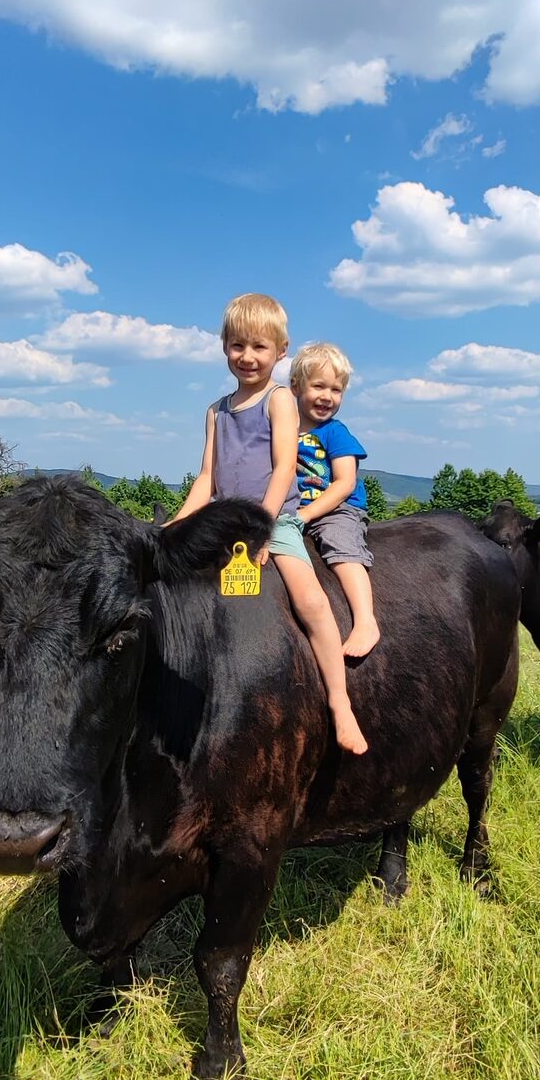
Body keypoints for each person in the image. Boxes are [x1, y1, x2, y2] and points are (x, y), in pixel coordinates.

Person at [173, 293, 369, 755]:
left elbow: (284, 467)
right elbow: (207, 477)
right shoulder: (216, 411)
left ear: (281, 352)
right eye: (238, 345)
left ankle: (340, 703)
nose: (247, 356)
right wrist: (177, 526)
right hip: (225, 523)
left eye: (259, 347)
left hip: (273, 519)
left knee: (310, 600)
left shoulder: (280, 400)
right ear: (224, 347)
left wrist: (263, 526)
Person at [290, 343, 380, 659]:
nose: (328, 396)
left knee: (341, 546)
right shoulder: (283, 429)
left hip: (337, 507)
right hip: (294, 508)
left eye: (336, 390)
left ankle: (366, 620)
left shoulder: (335, 432)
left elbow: (345, 483)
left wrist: (307, 514)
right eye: (319, 386)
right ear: (295, 386)